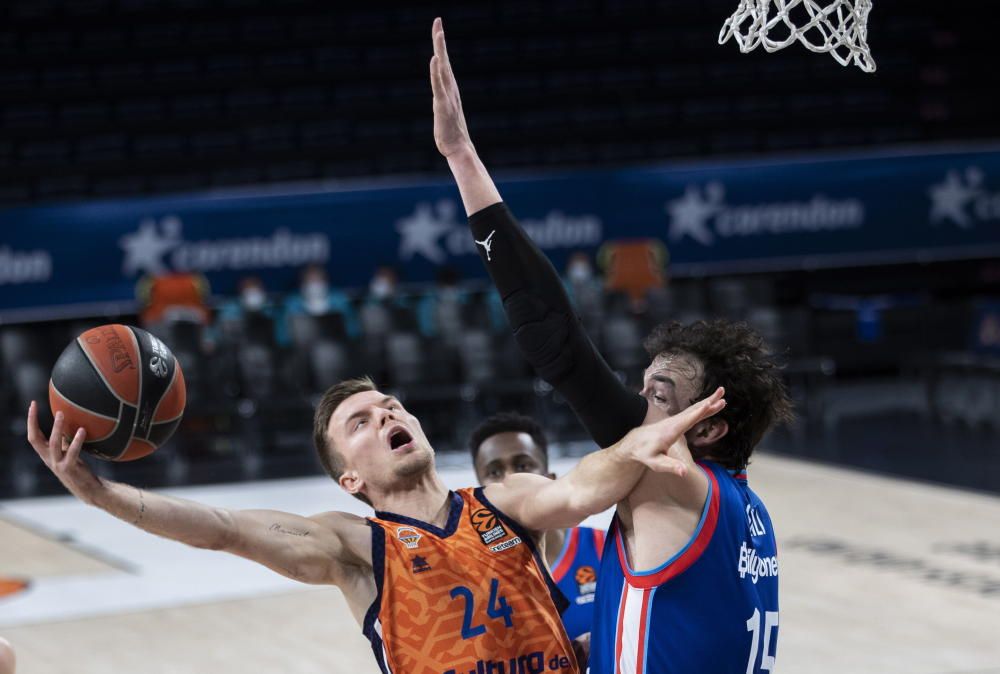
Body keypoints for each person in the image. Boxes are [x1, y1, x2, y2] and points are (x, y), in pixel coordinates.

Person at [430, 17, 792, 673]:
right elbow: (689, 635)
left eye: (659, 396)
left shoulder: (671, 480)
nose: (635, 408)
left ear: (708, 427)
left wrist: (462, 159)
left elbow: (557, 343)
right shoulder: (746, 508)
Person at [26, 376, 725, 674]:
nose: (387, 416)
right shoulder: (355, 546)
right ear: (349, 479)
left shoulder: (502, 501)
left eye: (390, 406)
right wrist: (100, 494)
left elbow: (576, 492)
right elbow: (222, 527)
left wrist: (644, 439)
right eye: (360, 422)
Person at [469, 412, 604, 665]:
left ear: (550, 479)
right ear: (478, 493)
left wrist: (605, 641)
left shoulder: (605, 549)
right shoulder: (467, 572)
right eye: (494, 471)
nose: (511, 480)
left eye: (522, 466)